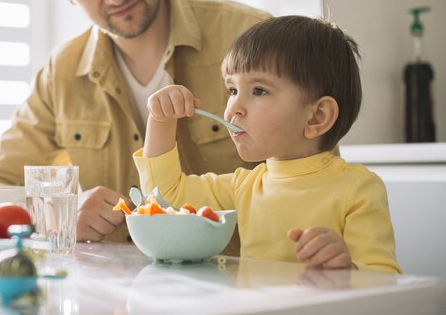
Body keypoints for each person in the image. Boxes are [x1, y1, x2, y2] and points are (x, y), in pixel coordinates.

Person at [0, 0, 270, 246]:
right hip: (117, 295)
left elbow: (317, 174)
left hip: (246, 286)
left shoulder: (254, 39)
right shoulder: (61, 75)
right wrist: (57, 211)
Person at [134, 15, 401, 274]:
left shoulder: (358, 189)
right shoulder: (244, 186)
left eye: (259, 91)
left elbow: (384, 280)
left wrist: (346, 270)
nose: (233, 108)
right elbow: (164, 196)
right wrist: (161, 121)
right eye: (232, 90)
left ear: (317, 116)